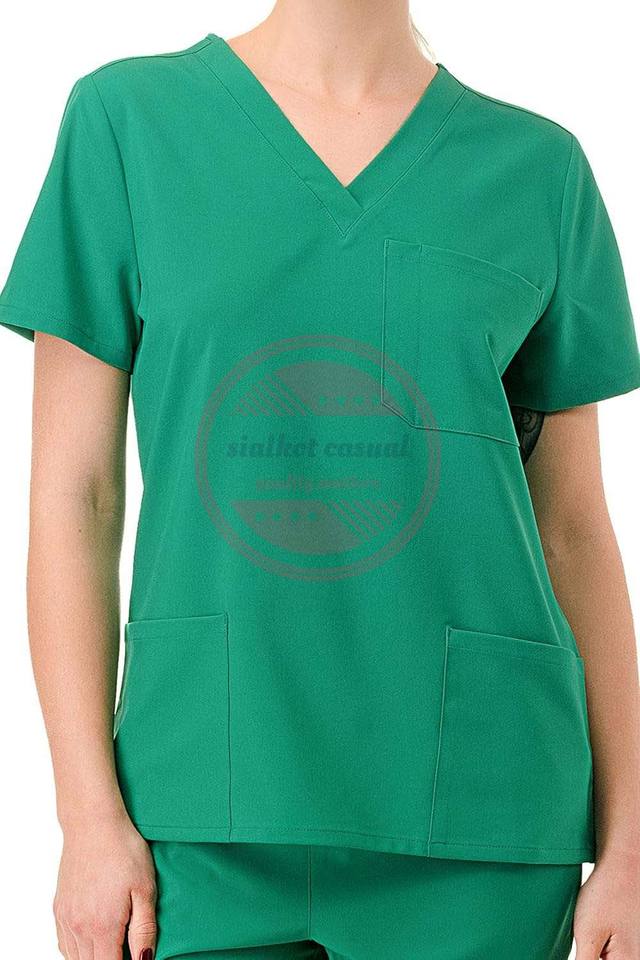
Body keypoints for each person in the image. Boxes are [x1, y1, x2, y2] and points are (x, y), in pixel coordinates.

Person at [1, 2, 639, 958]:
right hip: (198, 811)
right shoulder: (126, 124)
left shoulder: (540, 171)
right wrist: (87, 816)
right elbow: (75, 497)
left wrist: (631, 846)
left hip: (480, 816)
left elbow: (574, 533)